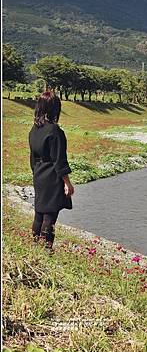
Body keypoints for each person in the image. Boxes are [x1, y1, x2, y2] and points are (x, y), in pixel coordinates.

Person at [28, 90, 75, 249]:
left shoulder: (34, 130)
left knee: (39, 213)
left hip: (39, 174)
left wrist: (36, 174)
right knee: (50, 215)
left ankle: (35, 246)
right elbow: (59, 159)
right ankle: (46, 248)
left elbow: (32, 158)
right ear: (55, 109)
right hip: (51, 176)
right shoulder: (55, 131)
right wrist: (67, 183)